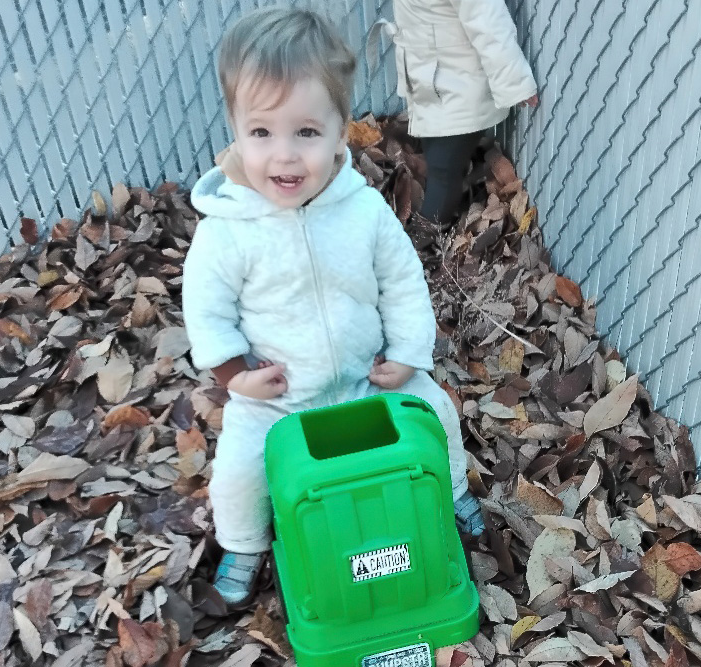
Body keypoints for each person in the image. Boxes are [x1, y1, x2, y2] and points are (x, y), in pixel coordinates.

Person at [181, 7, 485, 607]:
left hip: (362, 380)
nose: (284, 156)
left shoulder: (362, 209)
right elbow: (207, 310)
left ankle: (450, 492)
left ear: (341, 128)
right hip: (280, 396)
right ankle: (245, 544)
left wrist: (406, 355)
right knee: (240, 471)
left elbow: (401, 281)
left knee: (434, 410)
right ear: (235, 129)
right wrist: (236, 376)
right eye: (261, 133)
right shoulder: (228, 228)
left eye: (307, 133)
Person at [383, 0, 538, 228]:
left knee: (443, 172)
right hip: (434, 89)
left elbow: (488, 21)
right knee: (436, 157)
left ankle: (424, 241)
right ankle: (463, 188)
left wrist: (514, 82)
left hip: (460, 92)